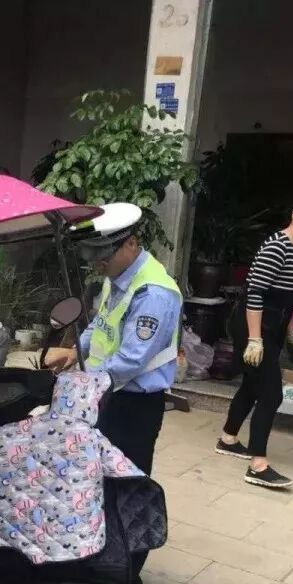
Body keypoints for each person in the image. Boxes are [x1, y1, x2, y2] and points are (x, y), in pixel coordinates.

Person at [46, 202, 182, 477]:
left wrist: (80, 381)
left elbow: (132, 359)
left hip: (133, 404)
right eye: (93, 257)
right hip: (106, 391)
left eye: (104, 257)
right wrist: (74, 352)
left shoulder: (153, 294)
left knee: (125, 482)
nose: (98, 264)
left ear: (130, 243)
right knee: (97, 476)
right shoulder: (117, 275)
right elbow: (102, 321)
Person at [217, 190, 293, 489]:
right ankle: (258, 465)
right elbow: (255, 293)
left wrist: (289, 335)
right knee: (271, 394)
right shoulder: (276, 246)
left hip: (273, 326)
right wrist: (255, 340)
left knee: (253, 385)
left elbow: (285, 300)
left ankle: (228, 438)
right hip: (254, 325)